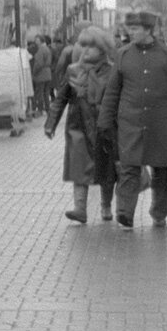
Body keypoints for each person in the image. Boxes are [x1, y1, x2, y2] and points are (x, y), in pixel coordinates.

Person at [97, 11, 167, 228]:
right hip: (130, 123)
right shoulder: (122, 55)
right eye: (129, 29)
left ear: (149, 30)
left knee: (160, 169)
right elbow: (112, 93)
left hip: (160, 123)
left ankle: (159, 212)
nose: (130, 32)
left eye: (135, 29)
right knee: (129, 168)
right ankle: (125, 213)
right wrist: (104, 121)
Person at [45, 27, 119, 223]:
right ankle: (80, 209)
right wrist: (50, 123)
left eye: (91, 47)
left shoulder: (112, 71)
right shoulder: (73, 70)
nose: (85, 51)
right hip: (77, 126)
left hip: (104, 127)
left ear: (102, 49)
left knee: (107, 171)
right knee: (79, 168)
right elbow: (60, 99)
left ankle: (106, 206)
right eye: (83, 45)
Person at [31, 34, 53, 116]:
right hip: (48, 73)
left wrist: (34, 72)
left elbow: (38, 64)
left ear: (40, 40)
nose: (35, 42)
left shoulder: (41, 50)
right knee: (46, 93)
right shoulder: (47, 49)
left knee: (40, 92)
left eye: (36, 40)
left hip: (41, 74)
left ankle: (40, 109)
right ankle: (48, 109)